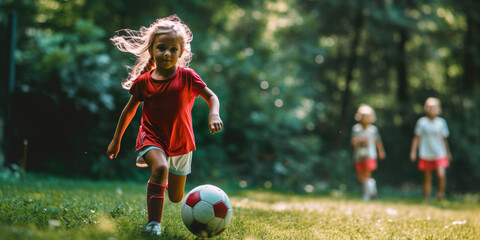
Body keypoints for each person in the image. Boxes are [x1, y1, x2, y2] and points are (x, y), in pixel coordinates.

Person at [106, 15, 223, 236]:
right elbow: (129, 110)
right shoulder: (144, 82)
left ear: (181, 53)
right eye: (161, 48)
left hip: (181, 142)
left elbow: (211, 97)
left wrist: (214, 114)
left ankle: (162, 185)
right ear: (152, 50)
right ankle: (153, 225)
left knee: (176, 197)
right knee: (160, 169)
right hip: (151, 137)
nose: (167, 53)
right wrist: (115, 140)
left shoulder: (188, 77)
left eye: (173, 49)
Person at [410, 97, 451, 200]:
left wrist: (448, 152)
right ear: (426, 108)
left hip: (439, 153)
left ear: (438, 109)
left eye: (434, 107)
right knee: (427, 177)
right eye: (430, 106)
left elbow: (444, 139)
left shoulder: (441, 122)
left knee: (441, 175)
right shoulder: (422, 122)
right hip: (426, 153)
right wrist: (413, 152)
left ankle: (440, 195)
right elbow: (416, 138)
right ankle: (427, 197)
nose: (432, 109)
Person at [351, 104, 386, 201]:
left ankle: (367, 195)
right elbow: (353, 141)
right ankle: (371, 186)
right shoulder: (356, 129)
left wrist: (381, 152)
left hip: (370, 155)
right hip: (358, 155)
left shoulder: (373, 130)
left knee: (367, 174)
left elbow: (378, 142)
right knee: (361, 176)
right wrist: (360, 141)